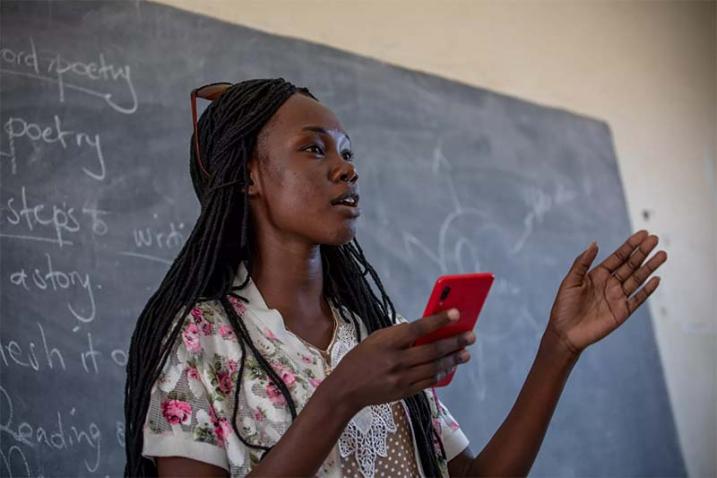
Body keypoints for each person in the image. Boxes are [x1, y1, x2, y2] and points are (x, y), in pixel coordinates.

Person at [123, 78, 667, 477]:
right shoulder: (204, 339)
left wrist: (559, 347)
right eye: (315, 149)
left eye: (348, 152)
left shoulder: (377, 333)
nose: (346, 168)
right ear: (249, 175)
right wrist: (341, 395)